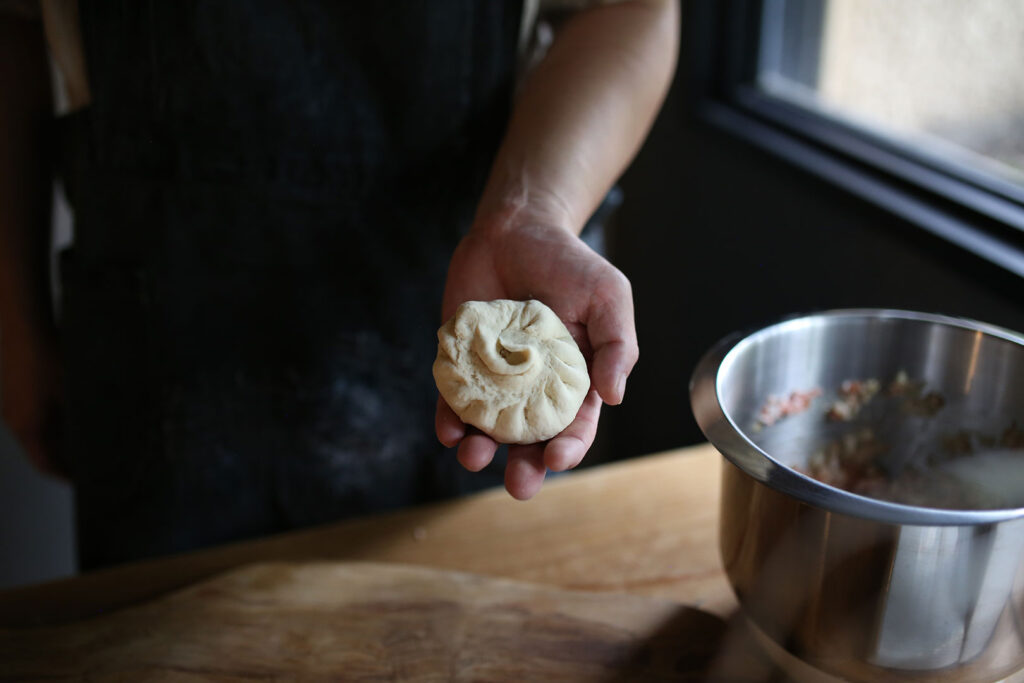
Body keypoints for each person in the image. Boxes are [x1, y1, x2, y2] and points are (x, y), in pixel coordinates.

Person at [0, 0, 678, 569]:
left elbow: (631, 6)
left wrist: (531, 209)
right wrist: (13, 318)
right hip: (156, 335)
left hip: (448, 283)